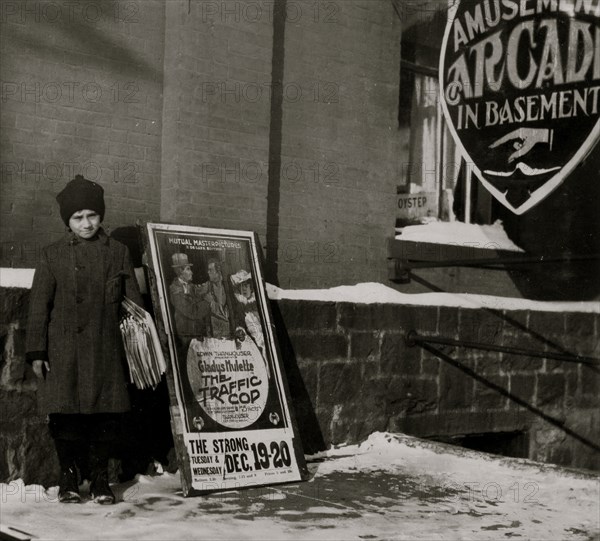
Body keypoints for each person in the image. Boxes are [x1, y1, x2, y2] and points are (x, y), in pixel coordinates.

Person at [25, 175, 143, 505]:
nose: (86, 223)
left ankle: (100, 478)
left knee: (105, 418)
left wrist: (143, 344)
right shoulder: (52, 255)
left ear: (101, 215)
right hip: (63, 352)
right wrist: (37, 350)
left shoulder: (117, 253)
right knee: (65, 418)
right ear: (68, 221)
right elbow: (38, 306)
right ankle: (68, 477)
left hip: (106, 351)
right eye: (77, 217)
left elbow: (134, 305)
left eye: (92, 215)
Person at [168, 253, 211, 352]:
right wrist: (207, 302)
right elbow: (192, 311)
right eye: (188, 269)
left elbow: (197, 297)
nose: (191, 272)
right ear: (180, 271)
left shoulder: (190, 286)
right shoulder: (175, 290)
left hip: (197, 333)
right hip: (187, 336)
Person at [203, 258, 245, 341]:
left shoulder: (229, 288)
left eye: (211, 270)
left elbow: (231, 313)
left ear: (218, 272)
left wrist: (212, 303)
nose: (208, 272)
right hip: (213, 336)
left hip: (229, 335)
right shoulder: (207, 287)